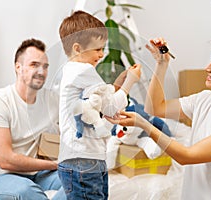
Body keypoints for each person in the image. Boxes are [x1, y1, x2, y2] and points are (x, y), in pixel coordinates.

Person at [105, 36, 211, 200]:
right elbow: (155, 108)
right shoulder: (205, 99)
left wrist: (144, 124)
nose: (207, 68)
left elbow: (186, 156)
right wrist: (162, 64)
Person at [58, 10, 141, 199]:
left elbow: (101, 98)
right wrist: (130, 82)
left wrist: (119, 83)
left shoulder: (71, 70)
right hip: (84, 162)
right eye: (97, 49)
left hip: (82, 160)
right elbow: (110, 108)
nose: (102, 55)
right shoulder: (84, 70)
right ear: (78, 48)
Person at [0, 38, 66, 200]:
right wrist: (55, 164)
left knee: (79, 183)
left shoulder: (52, 100)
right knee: (26, 191)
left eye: (45, 66)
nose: (41, 71)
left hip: (40, 174)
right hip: (3, 175)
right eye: (34, 65)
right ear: (18, 67)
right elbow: (6, 160)